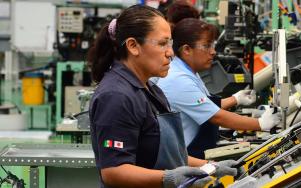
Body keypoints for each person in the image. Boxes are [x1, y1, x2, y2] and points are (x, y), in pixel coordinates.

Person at [88, 5, 238, 188]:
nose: (171, 52)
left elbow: (170, 154)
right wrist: (168, 178)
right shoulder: (116, 96)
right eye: (162, 44)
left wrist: (211, 167)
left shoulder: (151, 89)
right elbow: (113, 171)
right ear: (133, 46)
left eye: (170, 43)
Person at [157, 18, 282, 159]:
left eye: (213, 46)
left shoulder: (187, 71)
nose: (213, 52)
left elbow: (204, 105)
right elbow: (216, 116)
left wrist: (236, 99)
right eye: (206, 46)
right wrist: (260, 124)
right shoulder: (178, 80)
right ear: (187, 50)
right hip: (183, 158)